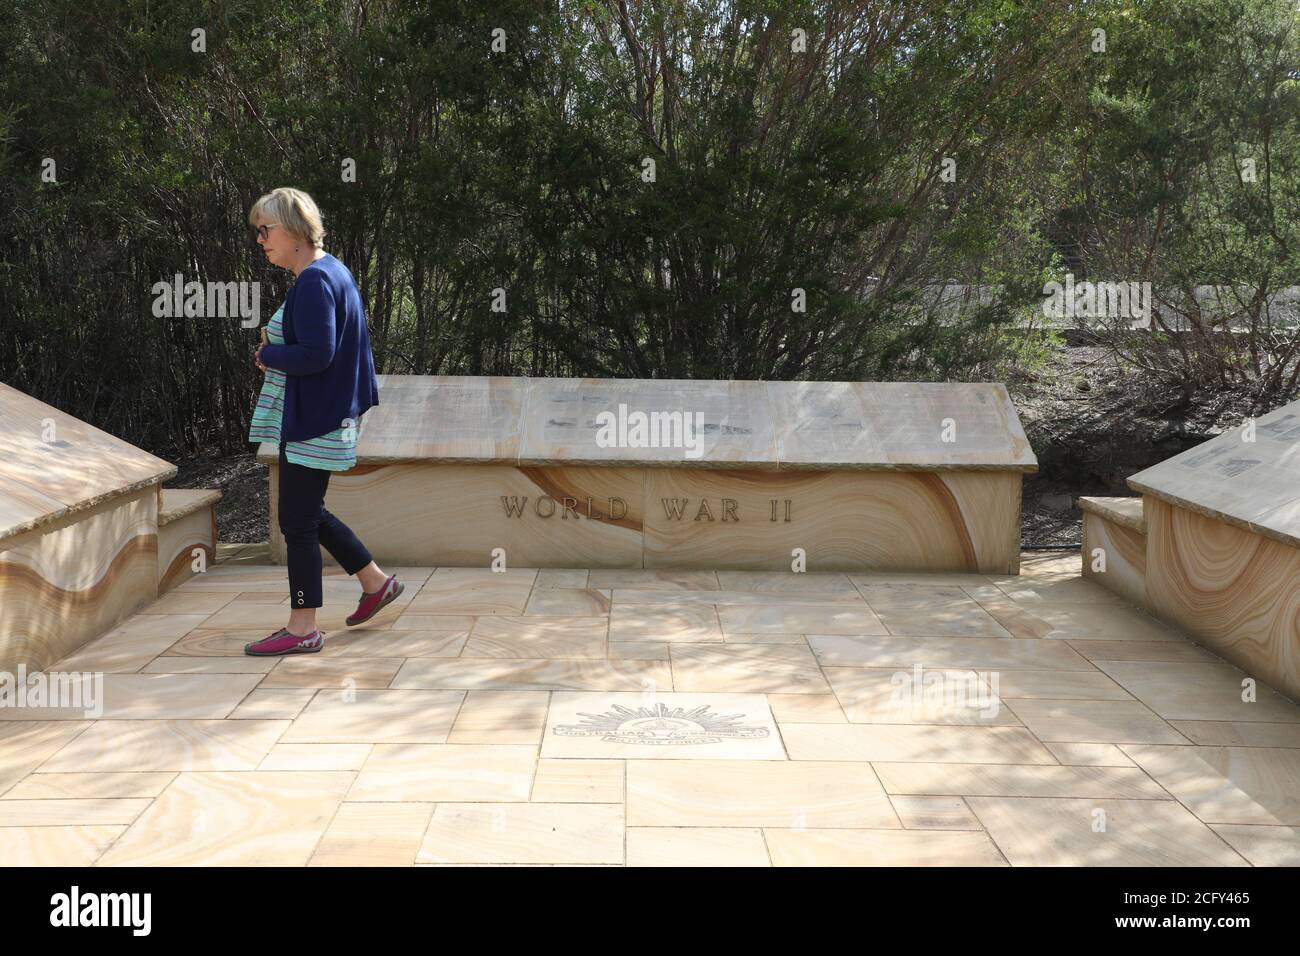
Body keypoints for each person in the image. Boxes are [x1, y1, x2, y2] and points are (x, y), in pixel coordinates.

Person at [243, 187, 401, 655]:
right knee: (308, 512)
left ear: (293, 229)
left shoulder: (313, 282)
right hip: (328, 415)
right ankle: (376, 583)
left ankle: (302, 627)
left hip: (315, 418)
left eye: (265, 230)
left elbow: (317, 354)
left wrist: (268, 354)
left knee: (297, 523)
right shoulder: (333, 270)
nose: (261, 240)